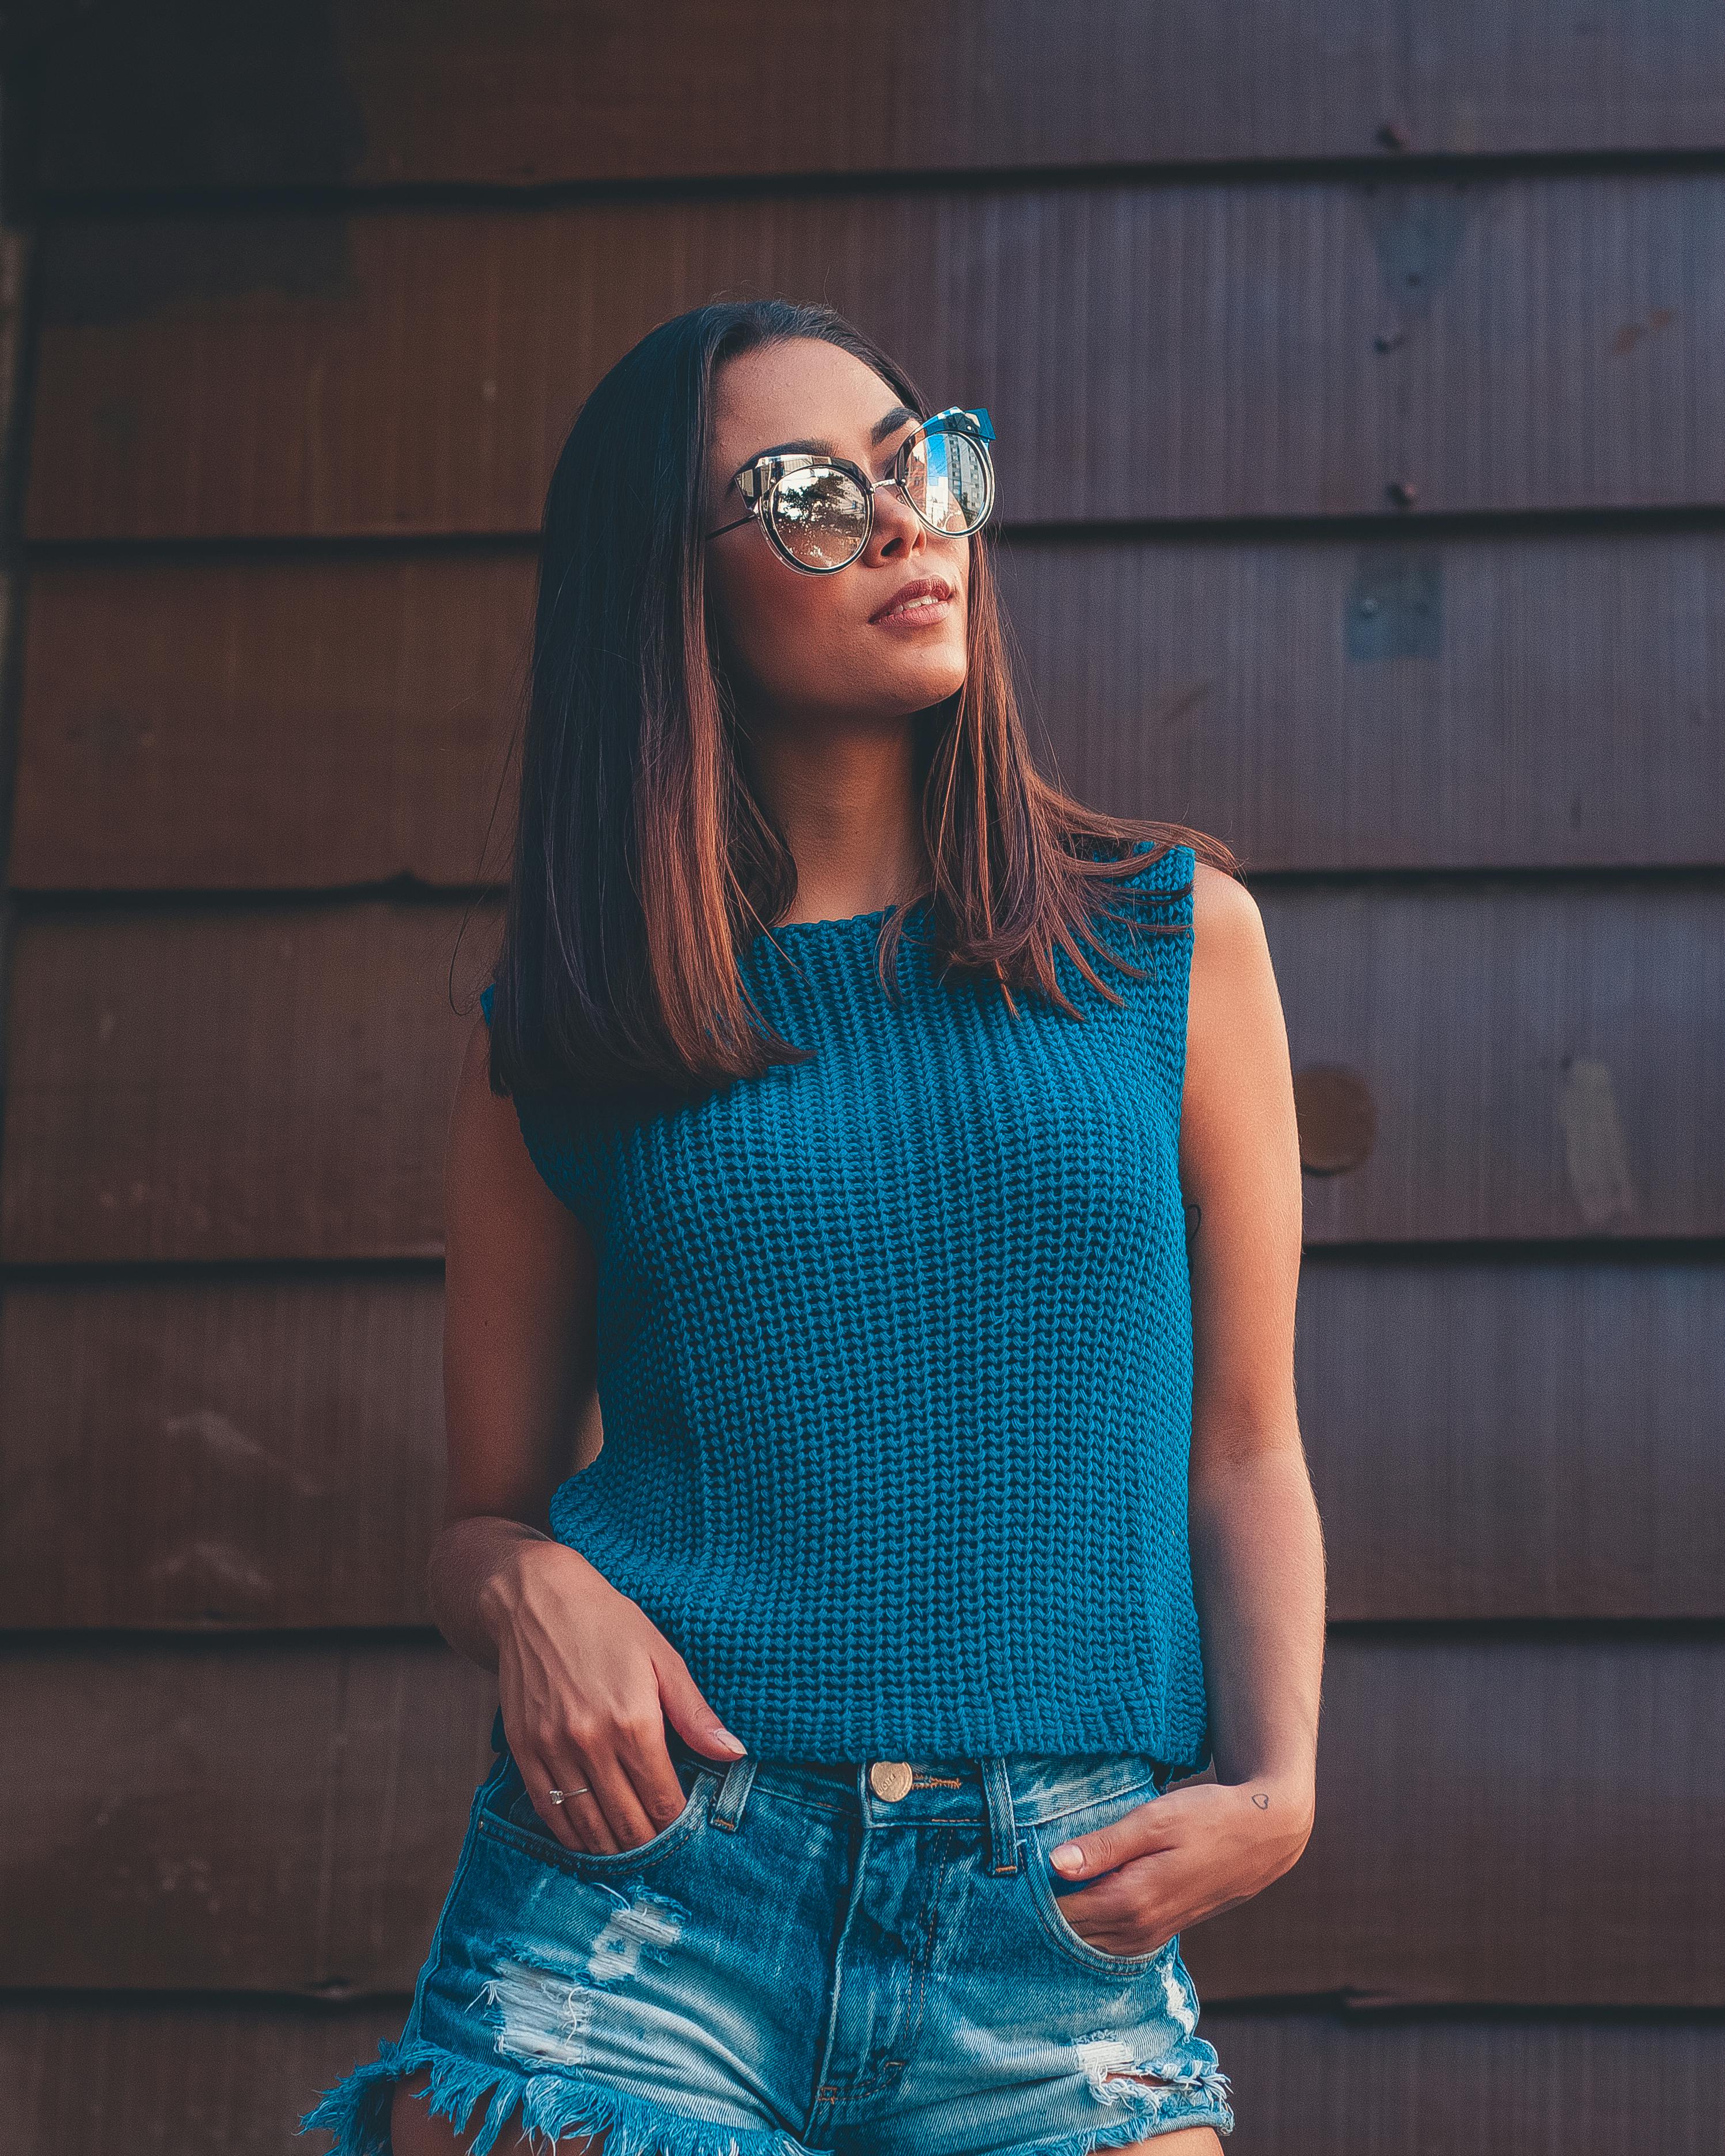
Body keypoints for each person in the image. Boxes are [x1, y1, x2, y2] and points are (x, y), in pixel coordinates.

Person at [301, 298, 1324, 2156]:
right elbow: (483, 1518)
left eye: (914, 461)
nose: (905, 521)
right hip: (649, 1896)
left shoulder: (1171, 942)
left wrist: (1277, 1789)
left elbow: (1245, 1440)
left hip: (1055, 1918)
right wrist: (528, 1587)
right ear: (664, 590)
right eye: (807, 495)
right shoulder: (577, 1023)